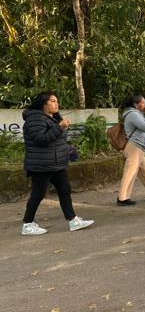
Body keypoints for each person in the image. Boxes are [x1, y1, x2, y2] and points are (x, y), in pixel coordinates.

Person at [21, 91, 94, 235]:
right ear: (43, 103)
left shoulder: (51, 117)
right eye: (53, 101)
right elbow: (41, 139)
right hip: (41, 164)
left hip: (55, 163)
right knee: (38, 194)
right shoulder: (35, 118)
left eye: (57, 101)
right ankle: (27, 224)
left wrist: (67, 149)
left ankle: (73, 220)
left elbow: (55, 140)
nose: (56, 103)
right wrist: (59, 127)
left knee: (64, 190)